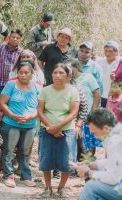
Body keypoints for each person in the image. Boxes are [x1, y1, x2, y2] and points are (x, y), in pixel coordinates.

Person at [37, 63, 79, 198]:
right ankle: (47, 188)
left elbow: (73, 113)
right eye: (55, 72)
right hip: (47, 130)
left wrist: (57, 127)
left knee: (67, 161)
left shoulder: (73, 91)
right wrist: (50, 127)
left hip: (66, 131)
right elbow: (40, 110)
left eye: (61, 73)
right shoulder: (45, 90)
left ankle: (61, 188)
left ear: (67, 76)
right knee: (46, 160)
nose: (57, 75)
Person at [74, 108, 122, 200]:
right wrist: (93, 164)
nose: (95, 136)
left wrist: (88, 173)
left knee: (91, 187)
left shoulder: (115, 141)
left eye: (95, 132)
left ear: (105, 128)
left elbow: (114, 178)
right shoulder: (121, 131)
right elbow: (116, 163)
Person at [0, 61, 39, 188]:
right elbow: (3, 103)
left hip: (30, 125)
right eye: (20, 72)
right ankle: (8, 175)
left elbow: (41, 107)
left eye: (26, 72)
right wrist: (13, 116)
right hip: (11, 123)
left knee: (25, 151)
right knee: (9, 150)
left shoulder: (38, 87)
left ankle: (25, 176)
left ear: (32, 74)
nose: (23, 75)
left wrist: (31, 116)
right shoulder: (11, 85)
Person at [70, 59, 101, 158]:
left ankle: (88, 164)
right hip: (74, 116)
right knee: (77, 141)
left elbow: (97, 94)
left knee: (88, 141)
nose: (68, 70)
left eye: (70, 67)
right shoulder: (67, 80)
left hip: (88, 114)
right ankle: (77, 164)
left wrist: (93, 111)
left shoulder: (88, 77)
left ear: (76, 67)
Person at [96, 41, 121, 107]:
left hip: (115, 97)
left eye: (110, 51)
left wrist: (117, 78)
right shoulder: (99, 62)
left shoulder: (121, 62)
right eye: (106, 51)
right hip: (101, 96)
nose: (107, 53)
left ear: (116, 52)